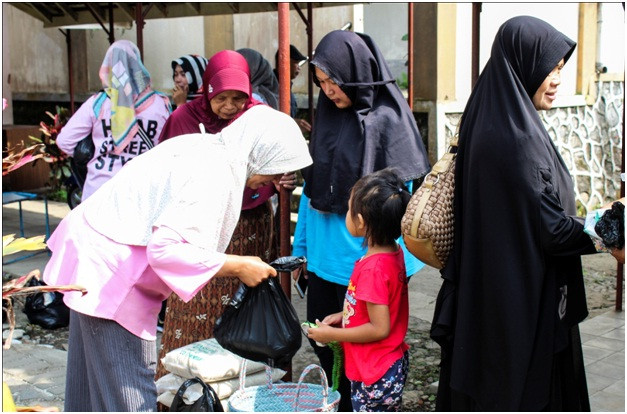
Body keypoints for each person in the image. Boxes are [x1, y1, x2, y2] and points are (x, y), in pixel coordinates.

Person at [42, 104, 313, 412]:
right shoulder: (216, 172)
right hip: (112, 276)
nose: (272, 181)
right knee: (129, 394)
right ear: (259, 151)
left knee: (89, 387)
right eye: (274, 170)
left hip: (95, 255)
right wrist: (239, 266)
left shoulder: (208, 147)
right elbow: (165, 250)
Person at [429, 16, 610, 411]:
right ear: (524, 64)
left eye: (561, 69)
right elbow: (549, 230)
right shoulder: (517, 139)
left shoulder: (489, 119)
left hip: (491, 296)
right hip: (522, 308)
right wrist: (609, 229)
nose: (557, 78)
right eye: (551, 68)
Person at [292, 29, 430, 411]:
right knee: (322, 340)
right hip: (323, 256)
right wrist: (301, 249)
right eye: (320, 83)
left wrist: (395, 261)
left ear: (354, 73)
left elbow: (402, 199)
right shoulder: (326, 117)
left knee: (363, 345)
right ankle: (345, 399)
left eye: (332, 81)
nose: (328, 90)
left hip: (363, 261)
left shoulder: (388, 120)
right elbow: (312, 187)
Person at [155, 49, 297, 381]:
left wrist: (280, 175)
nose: (231, 106)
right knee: (195, 308)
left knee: (247, 306)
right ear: (207, 89)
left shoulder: (259, 117)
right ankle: (187, 394)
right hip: (200, 228)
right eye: (222, 98)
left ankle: (245, 388)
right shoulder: (183, 119)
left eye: (239, 98)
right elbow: (164, 171)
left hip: (251, 225)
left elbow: (278, 160)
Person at [307, 167, 411, 412]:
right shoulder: (393, 253)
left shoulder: (372, 269)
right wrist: (346, 317)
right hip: (388, 362)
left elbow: (379, 327)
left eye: (348, 208)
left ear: (361, 221)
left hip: (374, 372)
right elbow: (381, 308)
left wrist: (332, 336)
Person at [56, 40, 171, 202]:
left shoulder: (98, 103)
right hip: (143, 194)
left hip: (99, 193)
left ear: (108, 67)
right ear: (137, 66)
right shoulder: (160, 104)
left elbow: (64, 142)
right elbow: (168, 148)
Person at [273, 44, 311, 133]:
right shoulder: (272, 86)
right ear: (283, 62)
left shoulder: (286, 85)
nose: (299, 67)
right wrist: (292, 123)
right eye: (295, 62)